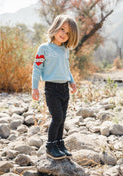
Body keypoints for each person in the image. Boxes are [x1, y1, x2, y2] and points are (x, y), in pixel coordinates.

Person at [31, 14, 79, 160]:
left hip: (64, 88)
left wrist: (72, 81)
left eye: (68, 33)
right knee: (57, 117)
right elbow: (37, 68)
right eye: (62, 29)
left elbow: (66, 68)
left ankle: (59, 144)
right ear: (55, 27)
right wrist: (34, 88)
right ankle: (50, 146)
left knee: (63, 117)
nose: (64, 34)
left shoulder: (65, 50)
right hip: (51, 88)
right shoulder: (44, 48)